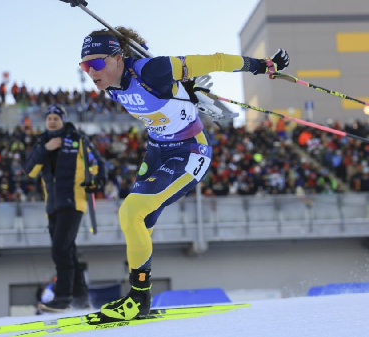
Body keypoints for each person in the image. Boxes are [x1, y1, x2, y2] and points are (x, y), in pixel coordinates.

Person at [74, 23, 289, 322]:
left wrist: (261, 66)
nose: (90, 72)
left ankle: (138, 299)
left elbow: (214, 60)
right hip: (157, 150)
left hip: (189, 152)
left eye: (96, 63)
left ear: (118, 57)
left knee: (130, 212)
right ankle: (139, 297)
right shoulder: (109, 83)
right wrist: (186, 91)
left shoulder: (154, 70)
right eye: (85, 66)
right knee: (141, 221)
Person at [24, 105, 106, 312]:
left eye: (56, 118)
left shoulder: (78, 140)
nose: (52, 121)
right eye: (49, 118)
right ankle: (81, 299)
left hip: (73, 202)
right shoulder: (43, 142)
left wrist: (96, 182)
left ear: (63, 121)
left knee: (60, 249)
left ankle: (62, 298)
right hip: (52, 205)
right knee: (68, 251)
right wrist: (47, 148)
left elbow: (98, 166)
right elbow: (30, 171)